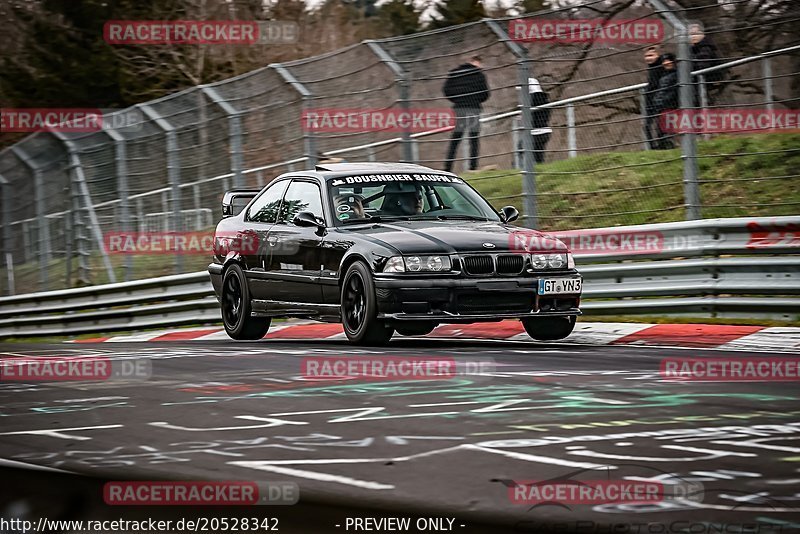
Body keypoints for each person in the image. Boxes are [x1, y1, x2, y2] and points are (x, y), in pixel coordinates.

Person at [442, 55, 490, 172]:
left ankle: (448, 167)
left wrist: (457, 99)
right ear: (477, 63)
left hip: (460, 108)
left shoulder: (455, 73)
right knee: (473, 138)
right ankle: (473, 167)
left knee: (456, 138)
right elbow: (486, 93)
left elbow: (446, 90)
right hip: (474, 108)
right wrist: (476, 99)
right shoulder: (479, 75)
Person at [518, 76, 551, 164]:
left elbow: (530, 114)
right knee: (538, 154)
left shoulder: (532, 99)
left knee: (521, 149)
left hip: (535, 131)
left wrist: (523, 116)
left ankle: (524, 171)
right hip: (544, 130)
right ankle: (538, 169)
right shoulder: (545, 99)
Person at [690, 23, 725, 103]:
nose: (693, 36)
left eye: (695, 33)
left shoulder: (706, 48)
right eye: (691, 34)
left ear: (702, 34)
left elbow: (702, 66)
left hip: (710, 82)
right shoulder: (694, 49)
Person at [653, 53, 678, 149]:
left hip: (670, 104)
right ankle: (662, 145)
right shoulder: (663, 75)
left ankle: (668, 145)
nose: (666, 63)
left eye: (668, 60)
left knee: (668, 125)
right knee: (661, 127)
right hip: (661, 104)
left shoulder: (677, 74)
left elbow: (672, 91)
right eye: (664, 61)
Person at [643, 46, 665, 150]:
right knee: (647, 125)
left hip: (660, 99)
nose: (648, 58)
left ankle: (662, 145)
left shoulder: (661, 66)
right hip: (651, 100)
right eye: (646, 56)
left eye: (651, 55)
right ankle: (653, 147)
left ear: (658, 55)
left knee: (660, 124)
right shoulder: (651, 68)